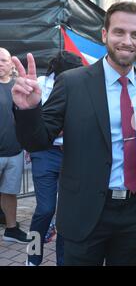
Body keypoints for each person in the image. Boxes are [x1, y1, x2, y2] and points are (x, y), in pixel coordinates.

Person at [11, 1, 136, 265]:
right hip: (84, 213)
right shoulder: (72, 82)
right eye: (119, 32)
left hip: (135, 215)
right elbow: (37, 140)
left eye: (135, 34)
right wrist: (29, 110)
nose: (127, 41)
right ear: (104, 34)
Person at [26, 51, 83, 266]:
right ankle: (33, 257)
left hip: (72, 154)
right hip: (45, 153)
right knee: (45, 209)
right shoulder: (39, 84)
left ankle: (63, 261)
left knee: (66, 213)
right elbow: (36, 124)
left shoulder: (81, 85)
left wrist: (57, 126)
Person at [0, 47, 30, 243]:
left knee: (10, 193)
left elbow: (25, 119)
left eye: (3, 60)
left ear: (11, 64)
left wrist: (27, 145)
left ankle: (11, 229)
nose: (0, 64)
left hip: (15, 151)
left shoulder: (17, 87)